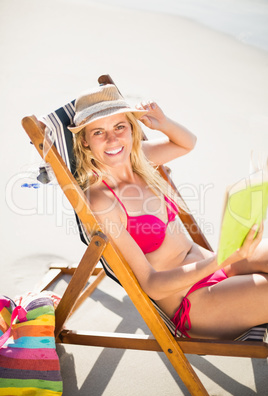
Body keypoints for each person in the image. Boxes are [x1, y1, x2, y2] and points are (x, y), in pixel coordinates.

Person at [68, 84, 268, 340]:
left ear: (131, 128)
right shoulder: (102, 202)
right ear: (84, 141)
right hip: (194, 302)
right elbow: (151, 285)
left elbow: (187, 143)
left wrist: (162, 122)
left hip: (215, 268)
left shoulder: (140, 159)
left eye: (120, 127)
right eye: (99, 132)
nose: (113, 139)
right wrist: (221, 261)